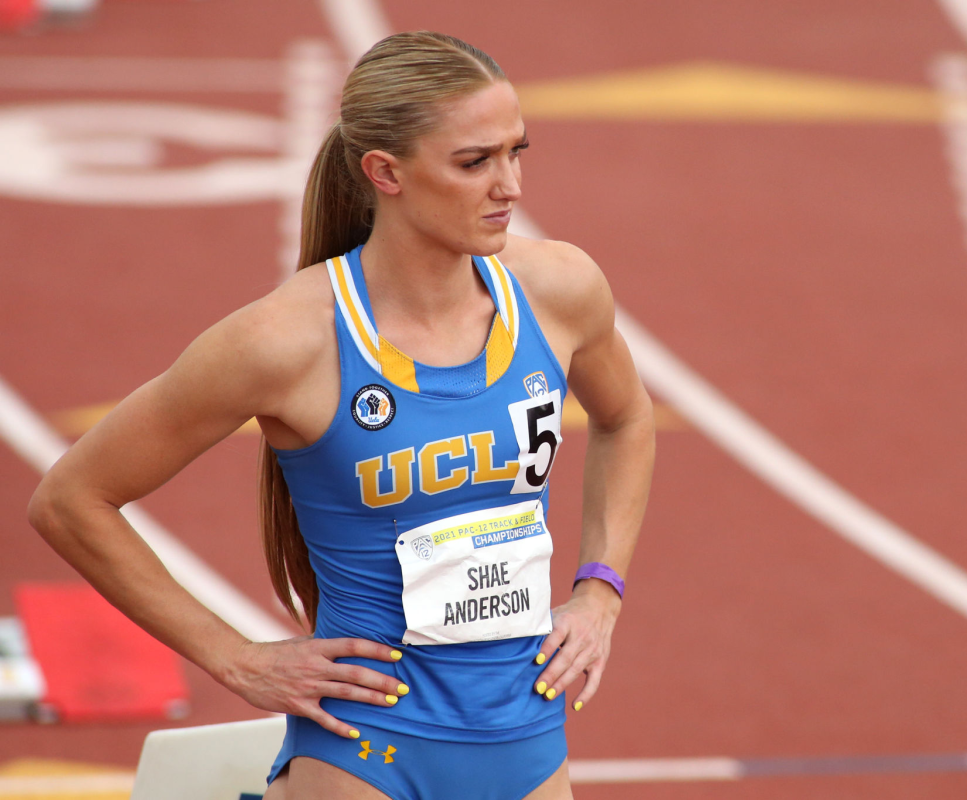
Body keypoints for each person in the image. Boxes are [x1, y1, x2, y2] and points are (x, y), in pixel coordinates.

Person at [27, 31, 654, 800]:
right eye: (475, 162)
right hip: (367, 751)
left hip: (527, 738)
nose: (510, 185)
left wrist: (599, 590)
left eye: (516, 152)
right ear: (385, 172)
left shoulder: (560, 290)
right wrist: (234, 657)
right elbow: (70, 499)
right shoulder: (284, 340)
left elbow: (627, 421)